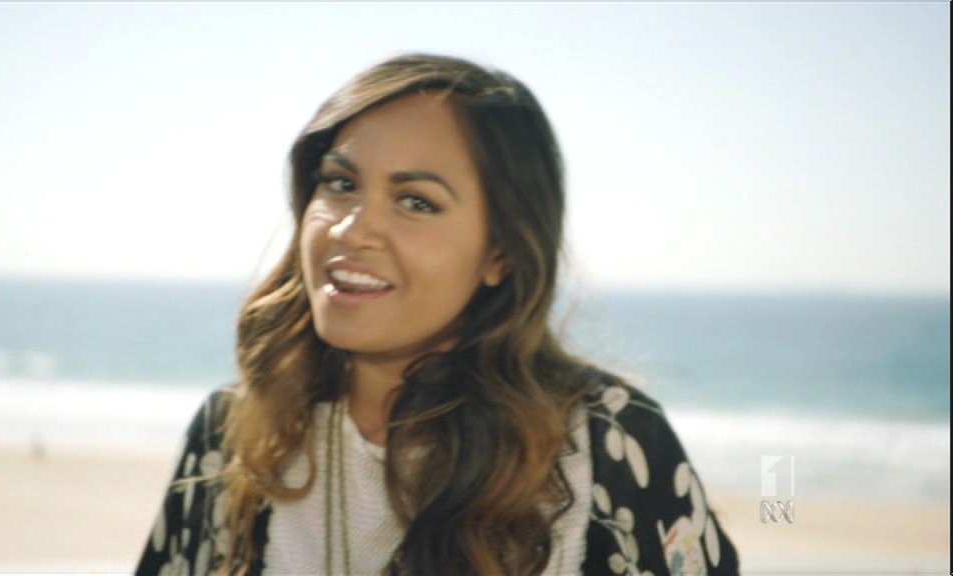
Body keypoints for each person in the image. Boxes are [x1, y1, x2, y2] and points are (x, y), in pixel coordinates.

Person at [136, 53, 740, 576]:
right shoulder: (234, 433)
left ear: (501, 252)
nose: (352, 230)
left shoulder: (605, 441)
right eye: (339, 183)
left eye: (415, 202)